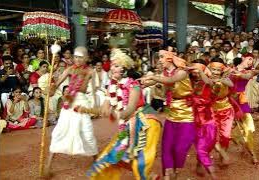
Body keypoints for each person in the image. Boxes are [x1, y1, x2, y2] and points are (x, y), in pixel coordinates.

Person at [77, 48, 162, 180]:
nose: (112, 68)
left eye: (116, 66)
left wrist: (116, 114)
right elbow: (104, 110)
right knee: (109, 158)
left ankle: (148, 175)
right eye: (112, 65)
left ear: (124, 69)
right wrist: (86, 110)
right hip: (128, 124)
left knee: (140, 163)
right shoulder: (110, 86)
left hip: (147, 123)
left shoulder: (134, 85)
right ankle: (151, 177)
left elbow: (129, 110)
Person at [141, 50, 195, 180]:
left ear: (170, 59)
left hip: (187, 114)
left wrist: (153, 77)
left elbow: (170, 80)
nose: (159, 60)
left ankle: (176, 171)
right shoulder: (164, 73)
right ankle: (167, 174)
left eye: (161, 57)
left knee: (180, 148)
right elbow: (152, 82)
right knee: (166, 146)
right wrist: (139, 83)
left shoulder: (181, 72)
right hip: (171, 113)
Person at [45, 46, 98, 176]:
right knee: (59, 132)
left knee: (87, 132)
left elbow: (95, 92)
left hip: (82, 104)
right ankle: (47, 167)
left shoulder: (91, 72)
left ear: (86, 58)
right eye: (76, 56)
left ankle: (97, 162)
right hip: (68, 104)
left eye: (81, 57)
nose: (78, 59)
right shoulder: (69, 70)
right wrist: (50, 89)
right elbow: (55, 86)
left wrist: (95, 107)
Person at [187, 59, 217, 179]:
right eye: (193, 70)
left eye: (197, 69)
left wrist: (200, 70)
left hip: (208, 119)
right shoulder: (189, 82)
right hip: (193, 120)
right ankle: (213, 175)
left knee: (206, 146)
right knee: (200, 147)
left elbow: (208, 82)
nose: (195, 72)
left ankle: (200, 163)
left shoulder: (209, 81)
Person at [230, 57, 259, 165]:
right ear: (242, 59)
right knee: (227, 131)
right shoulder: (229, 69)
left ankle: (253, 154)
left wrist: (236, 72)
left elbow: (247, 76)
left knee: (248, 129)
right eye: (249, 59)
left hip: (241, 103)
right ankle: (242, 144)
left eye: (253, 60)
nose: (251, 62)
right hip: (229, 102)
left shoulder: (249, 72)